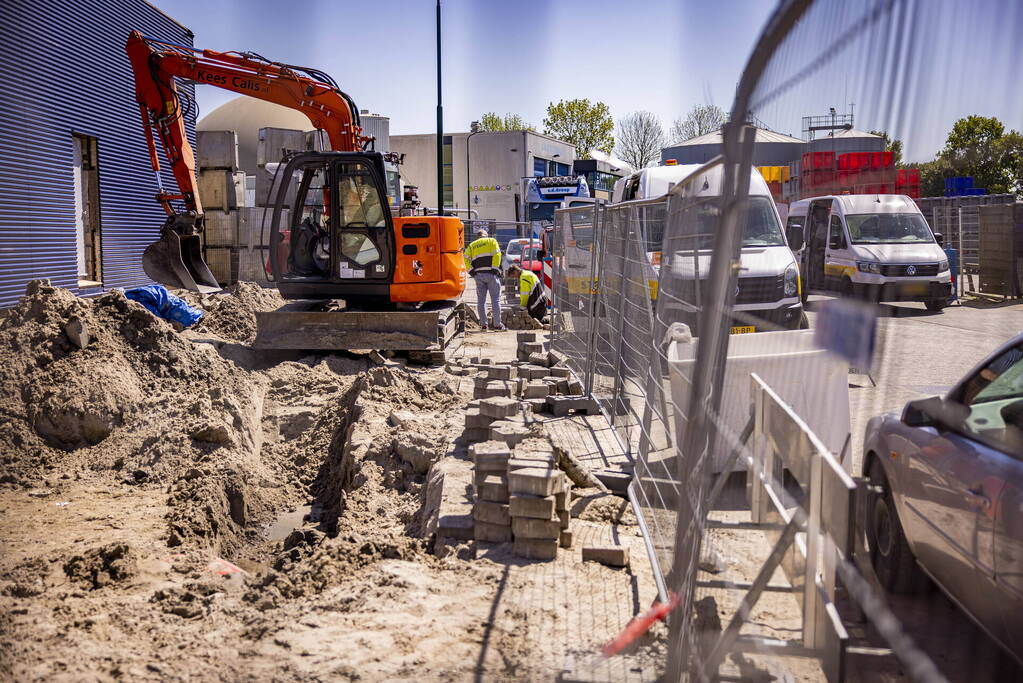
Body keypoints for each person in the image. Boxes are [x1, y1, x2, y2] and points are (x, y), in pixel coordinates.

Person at [464, 228, 504, 330]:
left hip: (479, 275)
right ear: (486, 235)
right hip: (491, 274)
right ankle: (497, 325)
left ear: (478, 236)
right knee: (495, 300)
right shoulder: (491, 241)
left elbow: (465, 259)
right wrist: (495, 269)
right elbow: (497, 254)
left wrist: (472, 272)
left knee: (481, 301)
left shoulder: (472, 245)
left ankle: (483, 325)